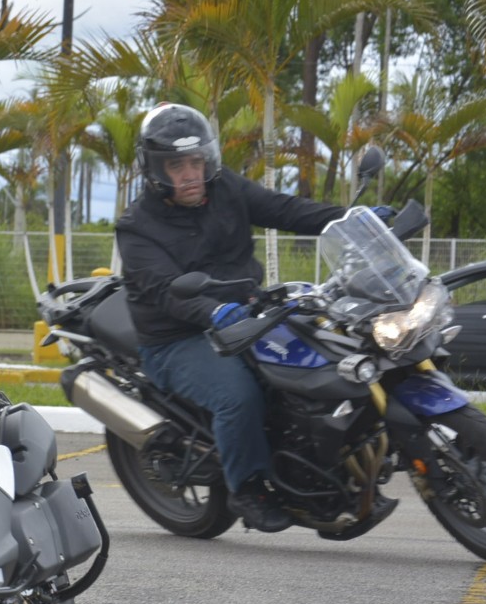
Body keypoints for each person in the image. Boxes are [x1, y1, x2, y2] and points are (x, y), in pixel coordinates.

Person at [115, 103, 356, 533]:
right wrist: (214, 310)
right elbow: (165, 289)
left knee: (319, 360)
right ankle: (249, 487)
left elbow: (286, 209)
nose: (190, 173)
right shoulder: (137, 226)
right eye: (176, 165)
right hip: (176, 338)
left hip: (247, 313)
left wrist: (353, 219)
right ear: (154, 169)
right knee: (238, 396)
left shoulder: (226, 188)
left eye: (195, 161)